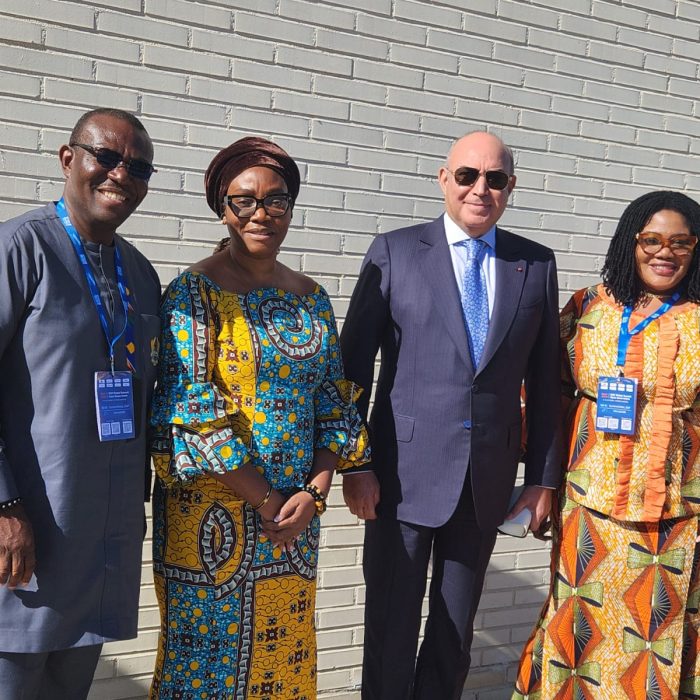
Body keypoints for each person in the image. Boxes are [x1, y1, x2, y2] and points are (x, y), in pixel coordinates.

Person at [340, 131, 563, 700]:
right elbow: (352, 370)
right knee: (390, 631)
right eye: (467, 175)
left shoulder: (534, 264)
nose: (480, 189)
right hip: (400, 480)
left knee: (453, 634)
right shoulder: (394, 252)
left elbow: (544, 383)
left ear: (511, 187)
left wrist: (541, 479)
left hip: (484, 484)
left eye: (495, 179)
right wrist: (355, 464)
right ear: (444, 179)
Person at [149, 136, 370, 699]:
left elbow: (333, 403)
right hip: (209, 521)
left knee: (281, 662)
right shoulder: (193, 293)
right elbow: (191, 413)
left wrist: (314, 493)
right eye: (243, 200)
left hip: (294, 521)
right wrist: (269, 501)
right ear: (222, 208)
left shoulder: (311, 298)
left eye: (276, 200)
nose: (261, 213)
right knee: (204, 669)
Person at [513, 190, 700, 698]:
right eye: (652, 240)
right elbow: (546, 393)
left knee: (657, 633)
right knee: (580, 622)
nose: (665, 253)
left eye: (681, 243)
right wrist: (540, 482)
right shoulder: (587, 305)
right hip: (587, 504)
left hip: (677, 515)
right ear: (630, 243)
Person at [0, 108, 161, 698]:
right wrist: (3, 506)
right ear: (68, 159)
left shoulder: (140, 274)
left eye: (138, 168)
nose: (121, 175)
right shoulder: (20, 249)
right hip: (25, 534)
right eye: (107, 157)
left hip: (100, 541)